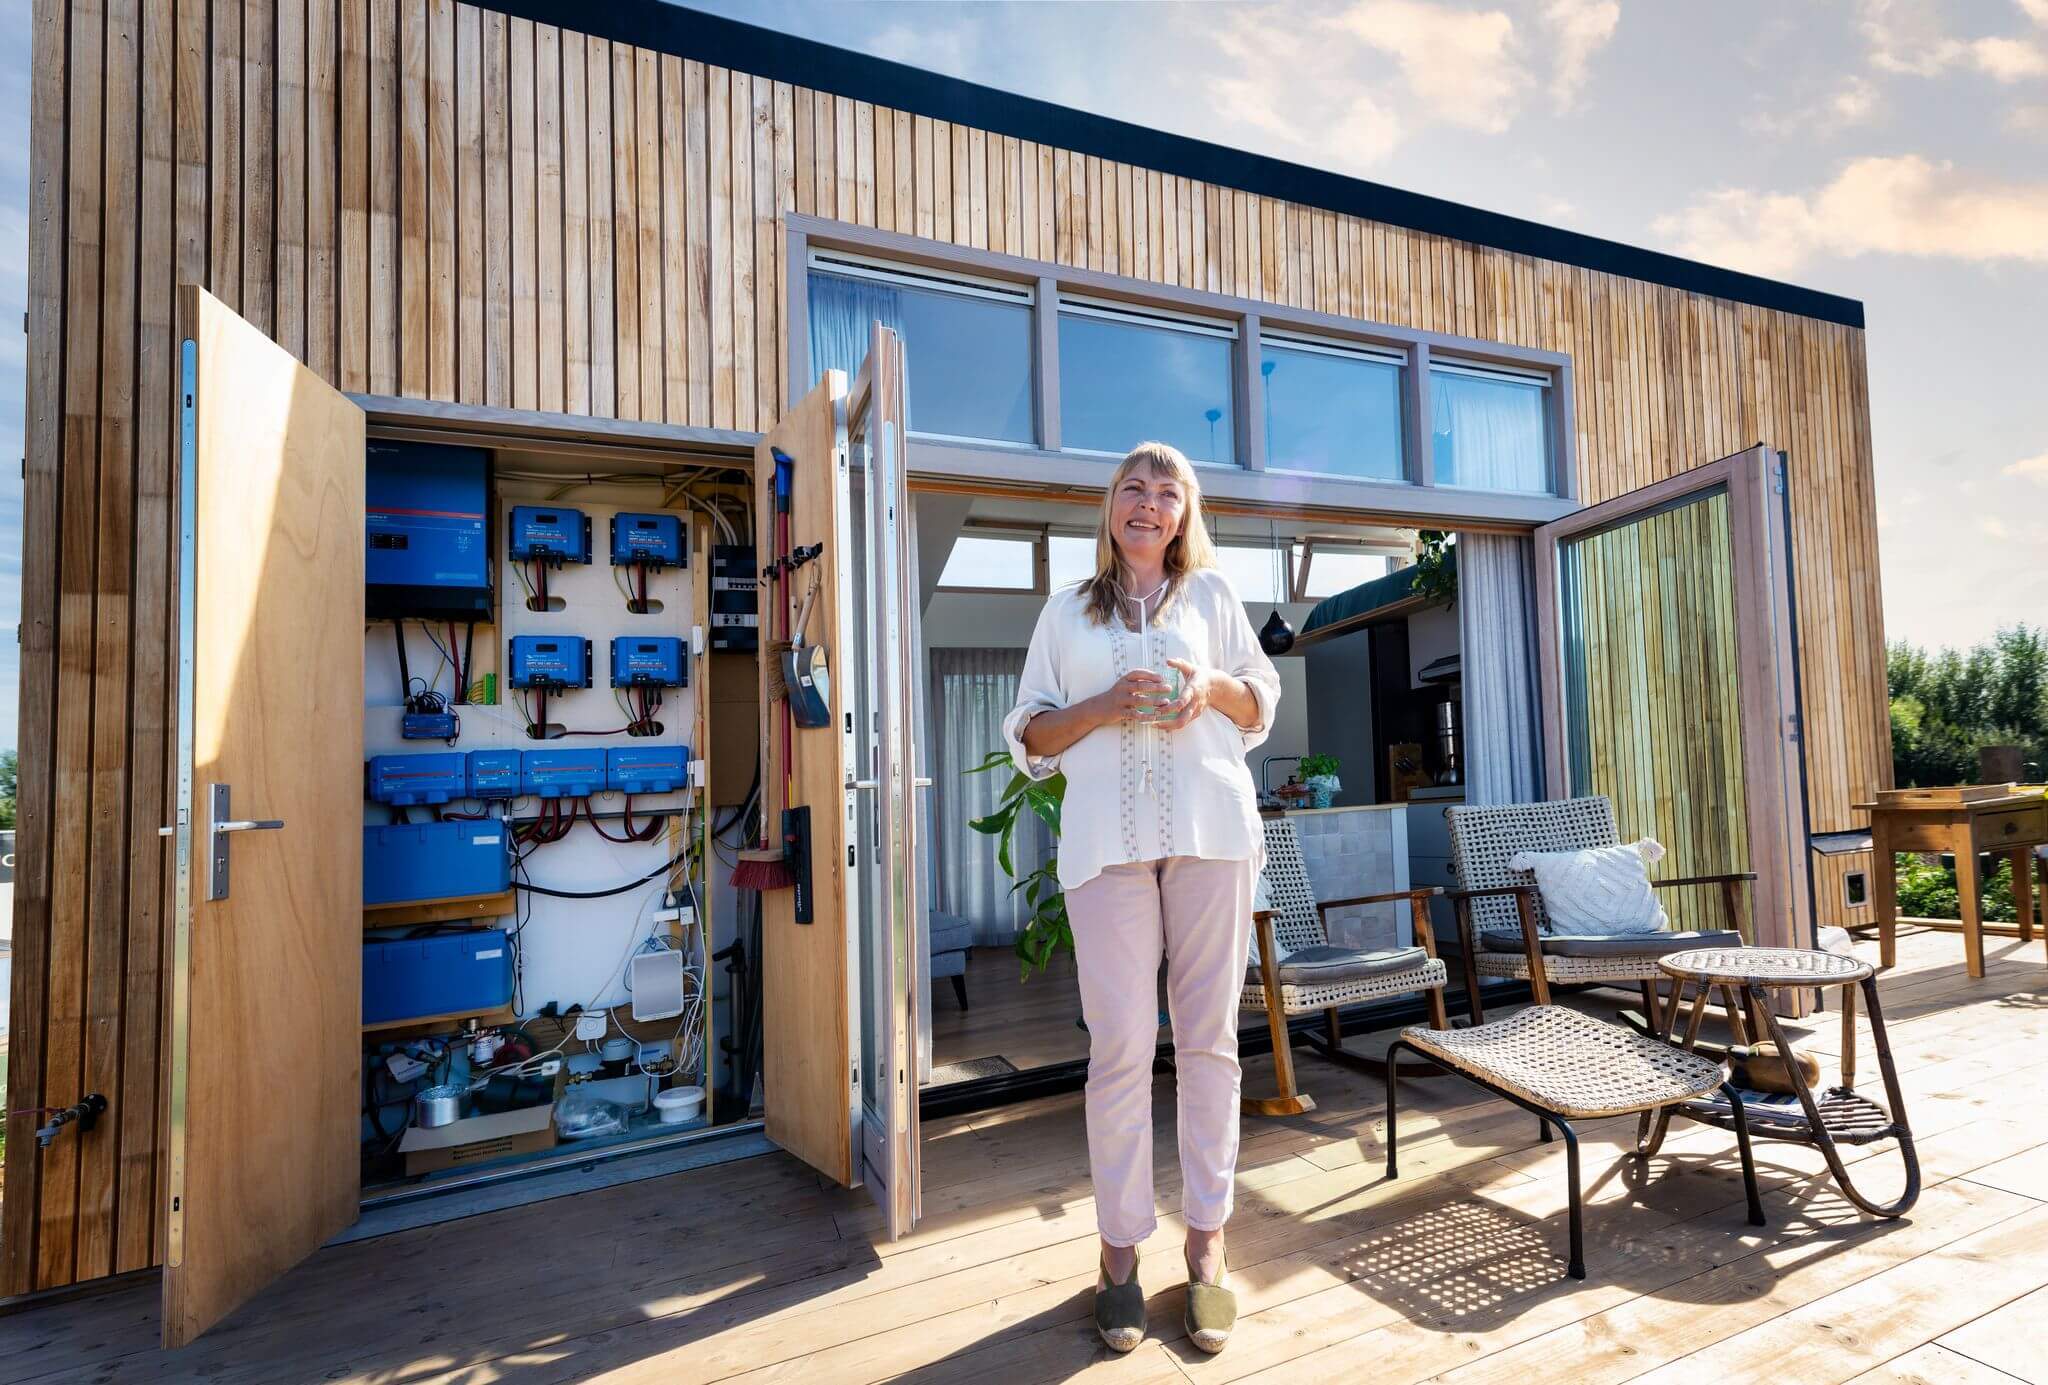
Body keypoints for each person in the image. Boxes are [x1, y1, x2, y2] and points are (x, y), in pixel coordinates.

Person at [1004, 440, 1281, 1356]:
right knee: (1119, 1050)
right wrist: (1107, 703)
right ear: (1111, 506)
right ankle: (1119, 1255)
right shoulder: (1064, 613)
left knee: (1208, 1043)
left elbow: (1260, 702)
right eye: (1133, 487)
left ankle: (1208, 1246)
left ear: (1184, 513)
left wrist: (1212, 686)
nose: (1148, 503)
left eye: (1167, 491)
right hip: (1104, 851)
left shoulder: (1214, 598)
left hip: (1212, 839)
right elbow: (1033, 732)